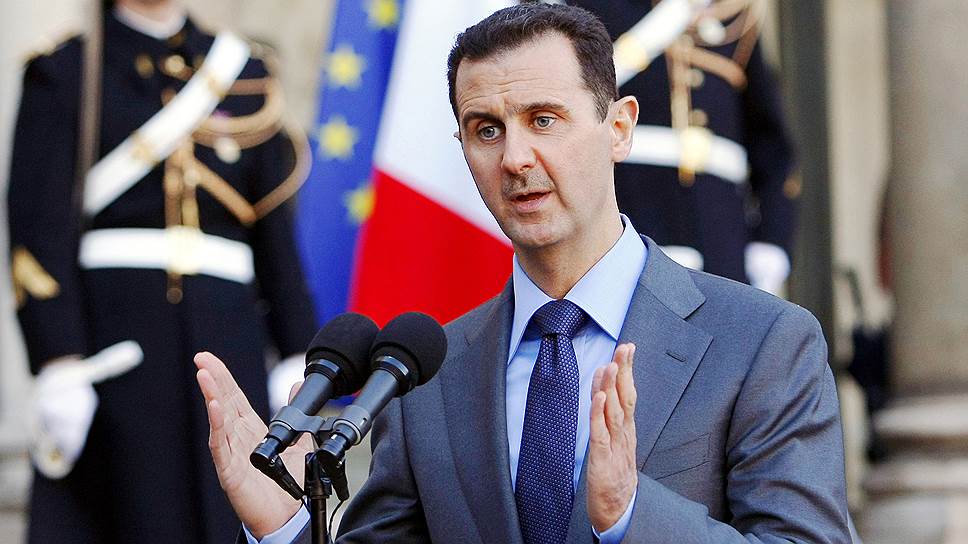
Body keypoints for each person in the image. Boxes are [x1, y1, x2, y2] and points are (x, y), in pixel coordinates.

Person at [196, 4, 850, 543]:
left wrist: (631, 515)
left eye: (543, 119)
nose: (515, 158)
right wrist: (287, 527)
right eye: (486, 130)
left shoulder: (762, 342)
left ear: (619, 128)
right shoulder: (424, 376)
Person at [7, 0, 316, 542]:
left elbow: (274, 234)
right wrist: (59, 359)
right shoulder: (68, 68)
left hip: (230, 339)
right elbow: (39, 227)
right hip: (118, 348)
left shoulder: (244, 70)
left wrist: (296, 352)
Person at [571, 0, 799, 294]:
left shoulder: (731, 14)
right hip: (630, 217)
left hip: (719, 236)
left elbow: (770, 147)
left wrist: (771, 240)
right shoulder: (584, 8)